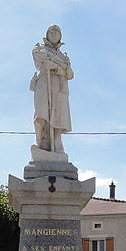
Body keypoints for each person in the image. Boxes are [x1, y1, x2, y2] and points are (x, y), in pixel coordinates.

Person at [30, 25, 73, 156]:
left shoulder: (64, 56)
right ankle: (40, 143)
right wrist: (61, 66)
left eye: (57, 32)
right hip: (44, 84)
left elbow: (70, 74)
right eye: (51, 32)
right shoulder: (39, 48)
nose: (54, 34)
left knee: (58, 118)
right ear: (47, 34)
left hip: (60, 89)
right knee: (41, 114)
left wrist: (57, 65)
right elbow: (39, 62)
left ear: (60, 36)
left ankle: (56, 144)